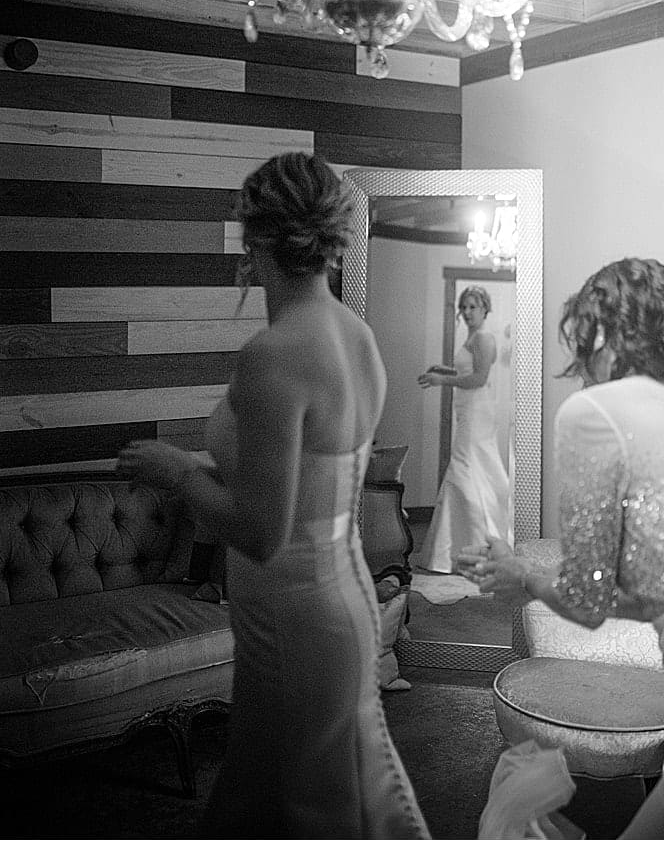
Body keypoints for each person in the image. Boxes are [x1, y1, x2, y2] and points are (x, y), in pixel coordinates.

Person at [117, 152, 429, 838]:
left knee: (297, 810)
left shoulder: (276, 352)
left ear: (252, 237)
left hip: (294, 613)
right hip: (332, 596)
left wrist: (176, 472)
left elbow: (261, 530)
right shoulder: (356, 336)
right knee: (295, 794)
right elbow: (313, 486)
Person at [464, 258, 664, 839]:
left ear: (603, 333)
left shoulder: (595, 412)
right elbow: (653, 596)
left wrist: (525, 577)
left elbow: (586, 599)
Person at [415, 284, 512, 574]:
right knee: (475, 466)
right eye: (464, 307)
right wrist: (445, 370)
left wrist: (443, 382)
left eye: (473, 306)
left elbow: (480, 378)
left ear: (484, 308)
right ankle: (467, 541)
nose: (467, 312)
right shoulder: (473, 336)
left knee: (466, 465)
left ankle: (477, 542)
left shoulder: (484, 338)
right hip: (467, 409)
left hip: (478, 410)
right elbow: (467, 372)